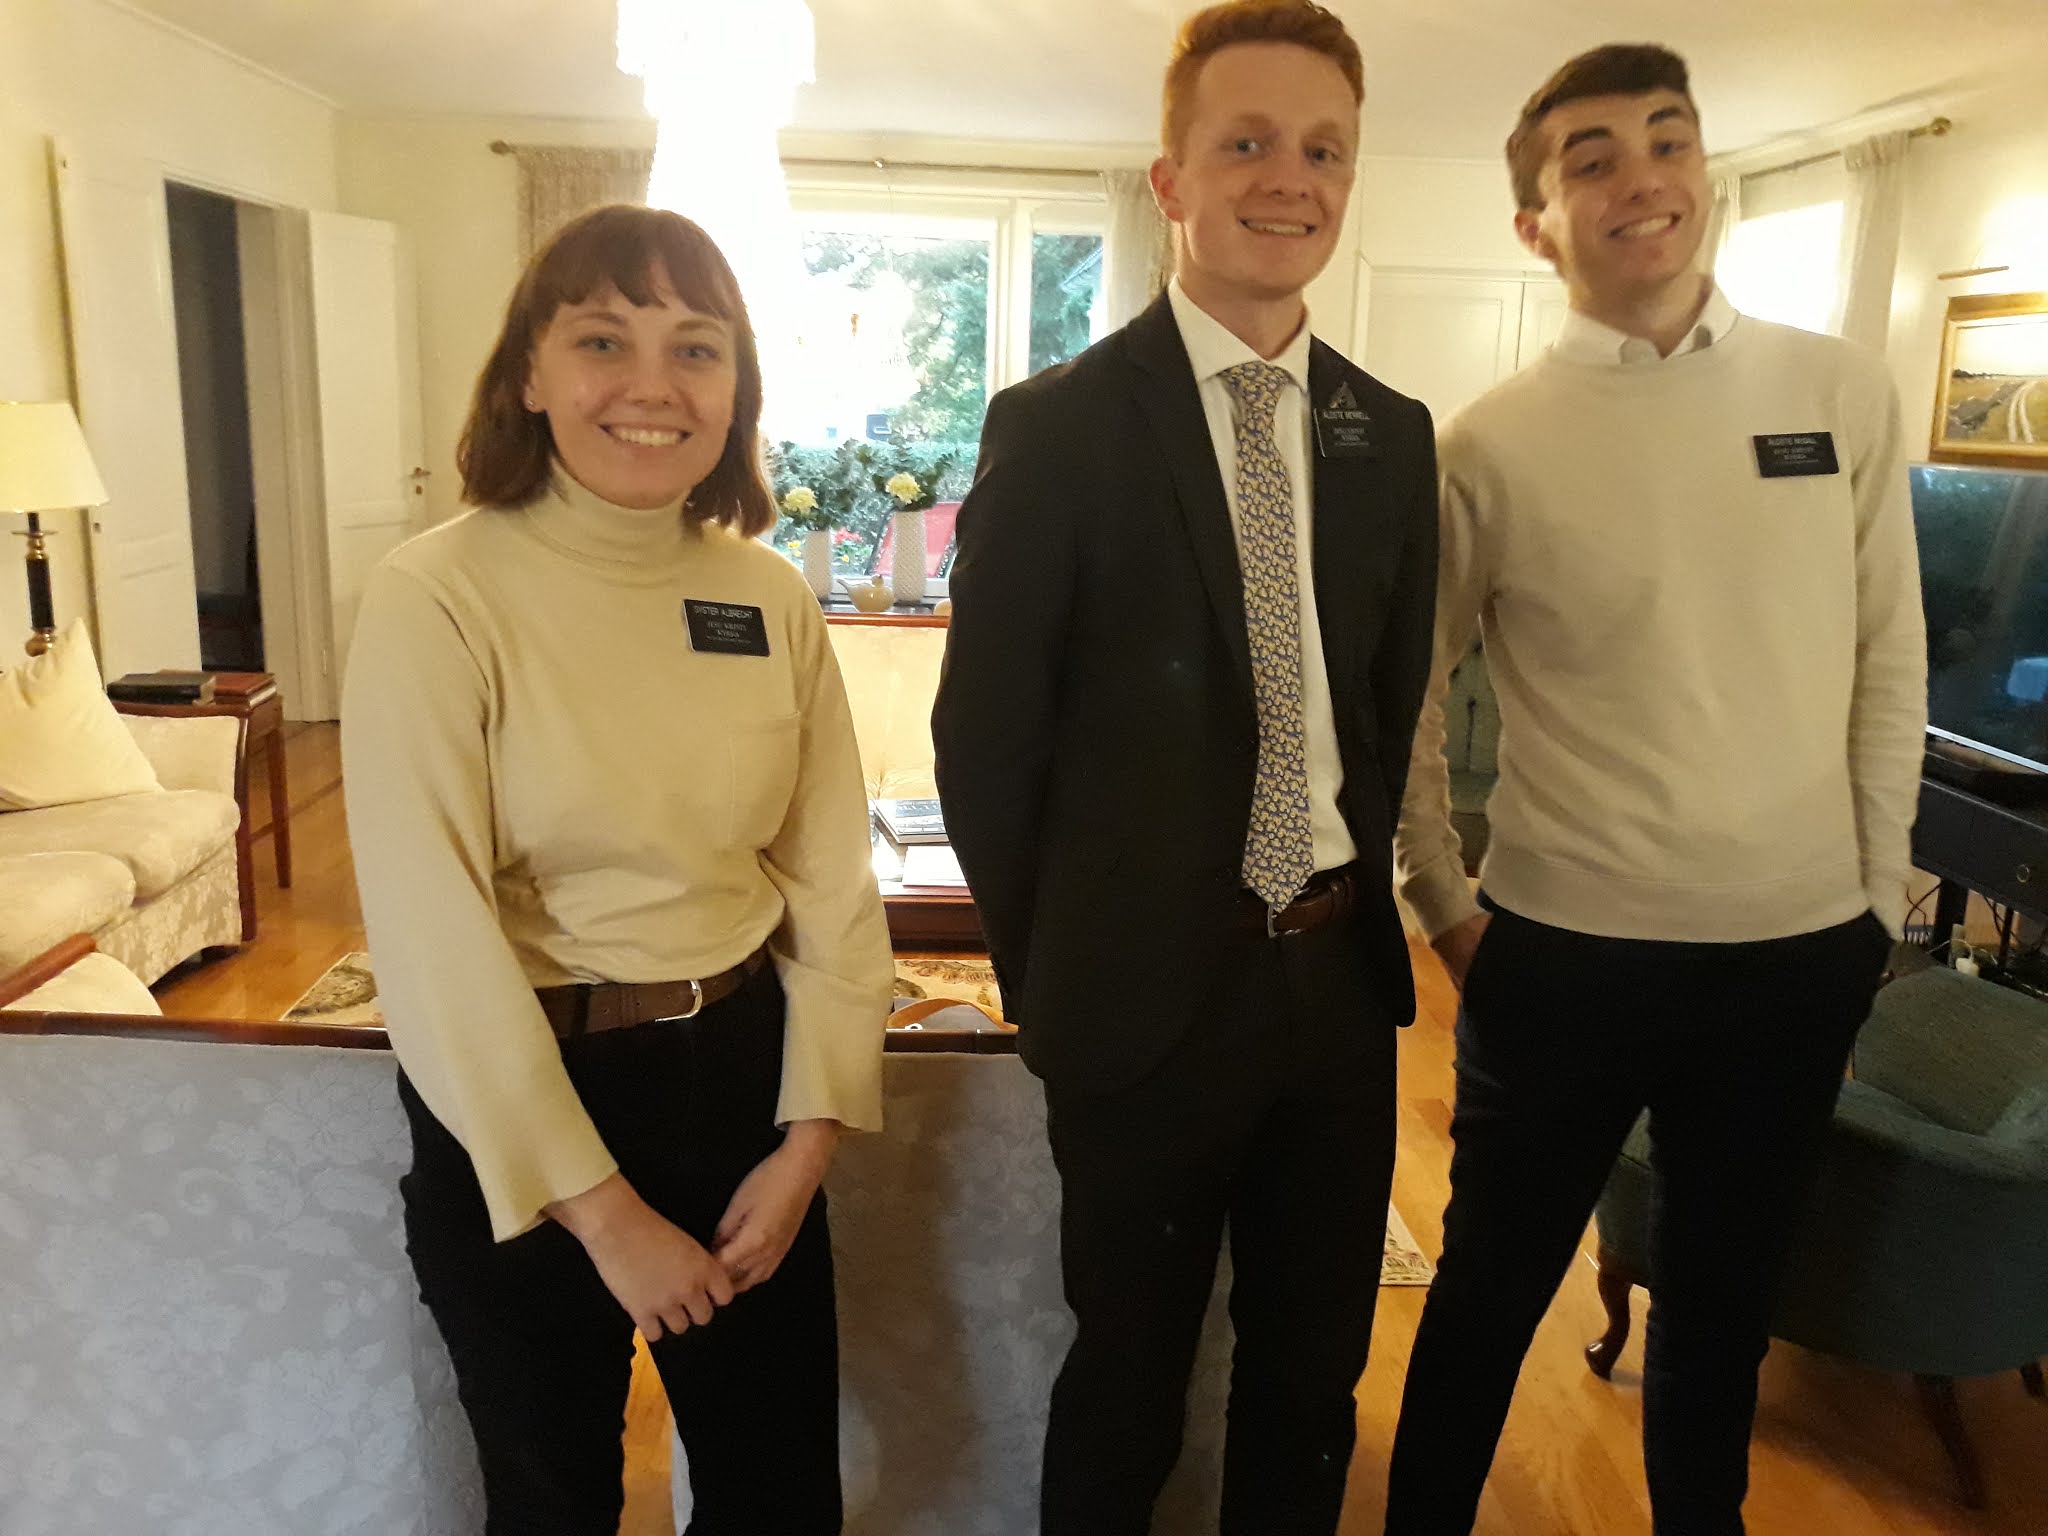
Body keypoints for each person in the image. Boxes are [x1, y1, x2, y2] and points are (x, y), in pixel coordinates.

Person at [1385, 44, 1926, 1536]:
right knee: (1487, 1297)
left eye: (1667, 141)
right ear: (1537, 224)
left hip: (1795, 957)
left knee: (1725, 1314)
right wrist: (1444, 906)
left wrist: (1874, 904)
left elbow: (1890, 658)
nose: (1641, 178)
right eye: (1594, 158)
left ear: (1704, 174)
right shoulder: (1485, 445)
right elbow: (1401, 702)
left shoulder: (1838, 392)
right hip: (1561, 957)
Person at [932, 3, 1439, 1530]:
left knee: (1311, 1378)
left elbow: (1385, 707)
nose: (1290, 178)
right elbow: (985, 743)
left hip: (1336, 990)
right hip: (1139, 1005)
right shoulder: (1058, 429)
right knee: (1130, 1380)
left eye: (1324, 150)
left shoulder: (1392, 435)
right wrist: (1055, 974)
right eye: (1248, 141)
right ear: (1171, 178)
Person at [341, 203, 892, 1535]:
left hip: (742, 1088)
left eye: (696, 349)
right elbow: (431, 934)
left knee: (779, 1506)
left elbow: (831, 884)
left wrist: (808, 1139)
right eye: (603, 340)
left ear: (736, 388)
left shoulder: (766, 598)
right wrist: (603, 1215)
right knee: (554, 1506)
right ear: (529, 373)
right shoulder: (438, 594)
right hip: (528, 1098)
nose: (654, 386)